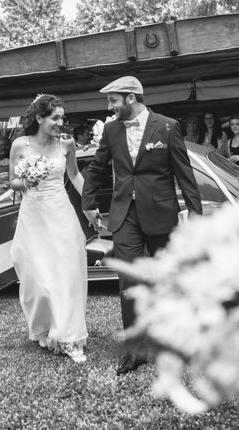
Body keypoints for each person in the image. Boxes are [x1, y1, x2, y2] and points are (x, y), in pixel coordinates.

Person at [82, 76, 202, 375]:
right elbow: (97, 167)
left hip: (161, 214)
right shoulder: (110, 130)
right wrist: (88, 201)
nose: (109, 107)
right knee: (128, 282)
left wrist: (196, 214)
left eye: (113, 100)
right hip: (125, 216)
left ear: (131, 98)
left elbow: (183, 173)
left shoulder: (167, 126)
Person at [9, 94, 88, 363]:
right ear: (40, 118)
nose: (60, 123)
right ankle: (44, 325)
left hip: (61, 214)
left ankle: (69, 336)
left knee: (67, 274)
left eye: (62, 118)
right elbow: (13, 182)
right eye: (55, 118)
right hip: (33, 216)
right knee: (38, 278)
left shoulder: (66, 144)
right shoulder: (20, 145)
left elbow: (75, 176)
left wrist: (90, 204)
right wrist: (27, 181)